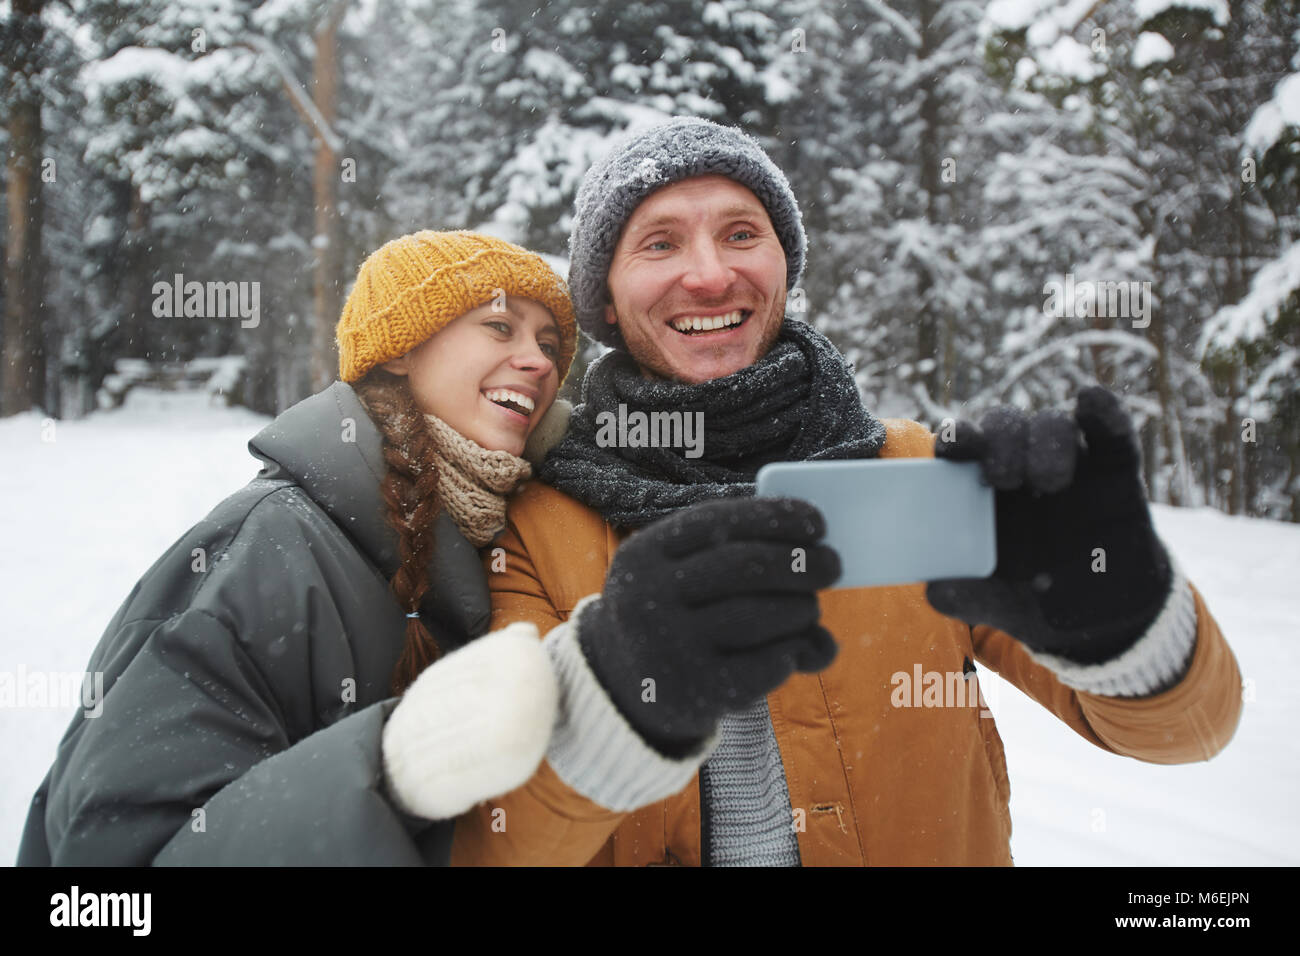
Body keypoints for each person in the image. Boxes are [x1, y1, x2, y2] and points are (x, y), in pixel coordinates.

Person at [447, 118, 1244, 866]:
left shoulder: (917, 472)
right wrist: (611, 696)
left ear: (783, 268)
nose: (711, 272)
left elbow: (1187, 735)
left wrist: (1124, 616)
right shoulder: (537, 528)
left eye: (741, 234)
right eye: (659, 243)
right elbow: (498, 842)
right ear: (608, 305)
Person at [16, 230, 578, 865]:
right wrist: (393, 774)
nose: (539, 362)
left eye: (551, 344)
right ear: (400, 350)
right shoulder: (265, 549)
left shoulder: (500, 541)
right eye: (501, 327)